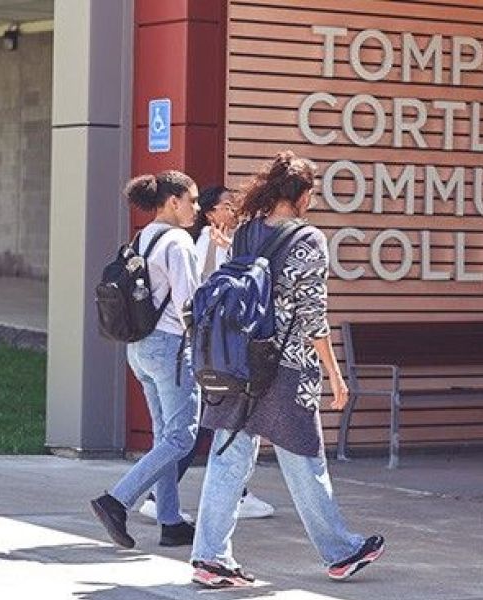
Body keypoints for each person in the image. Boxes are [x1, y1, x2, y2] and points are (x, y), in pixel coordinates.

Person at [189, 152, 385, 588]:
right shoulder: (309, 239)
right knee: (304, 456)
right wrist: (335, 373)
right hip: (285, 366)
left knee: (229, 456)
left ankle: (210, 557)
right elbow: (313, 315)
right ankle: (340, 551)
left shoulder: (245, 232)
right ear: (302, 195)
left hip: (236, 359)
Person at [139, 185, 276, 522]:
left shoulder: (150, 237)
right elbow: (195, 296)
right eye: (225, 206)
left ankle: (166, 510)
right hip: (201, 345)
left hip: (160, 344)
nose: (234, 212)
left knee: (184, 428)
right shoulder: (190, 242)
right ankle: (123, 498)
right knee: (189, 430)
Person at [90, 170, 202, 548]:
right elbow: (190, 303)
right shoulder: (178, 242)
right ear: (173, 201)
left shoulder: (144, 237)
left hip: (140, 348)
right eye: (193, 200)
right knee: (182, 436)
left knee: (164, 435)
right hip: (170, 349)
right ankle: (117, 500)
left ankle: (170, 520)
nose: (196, 208)